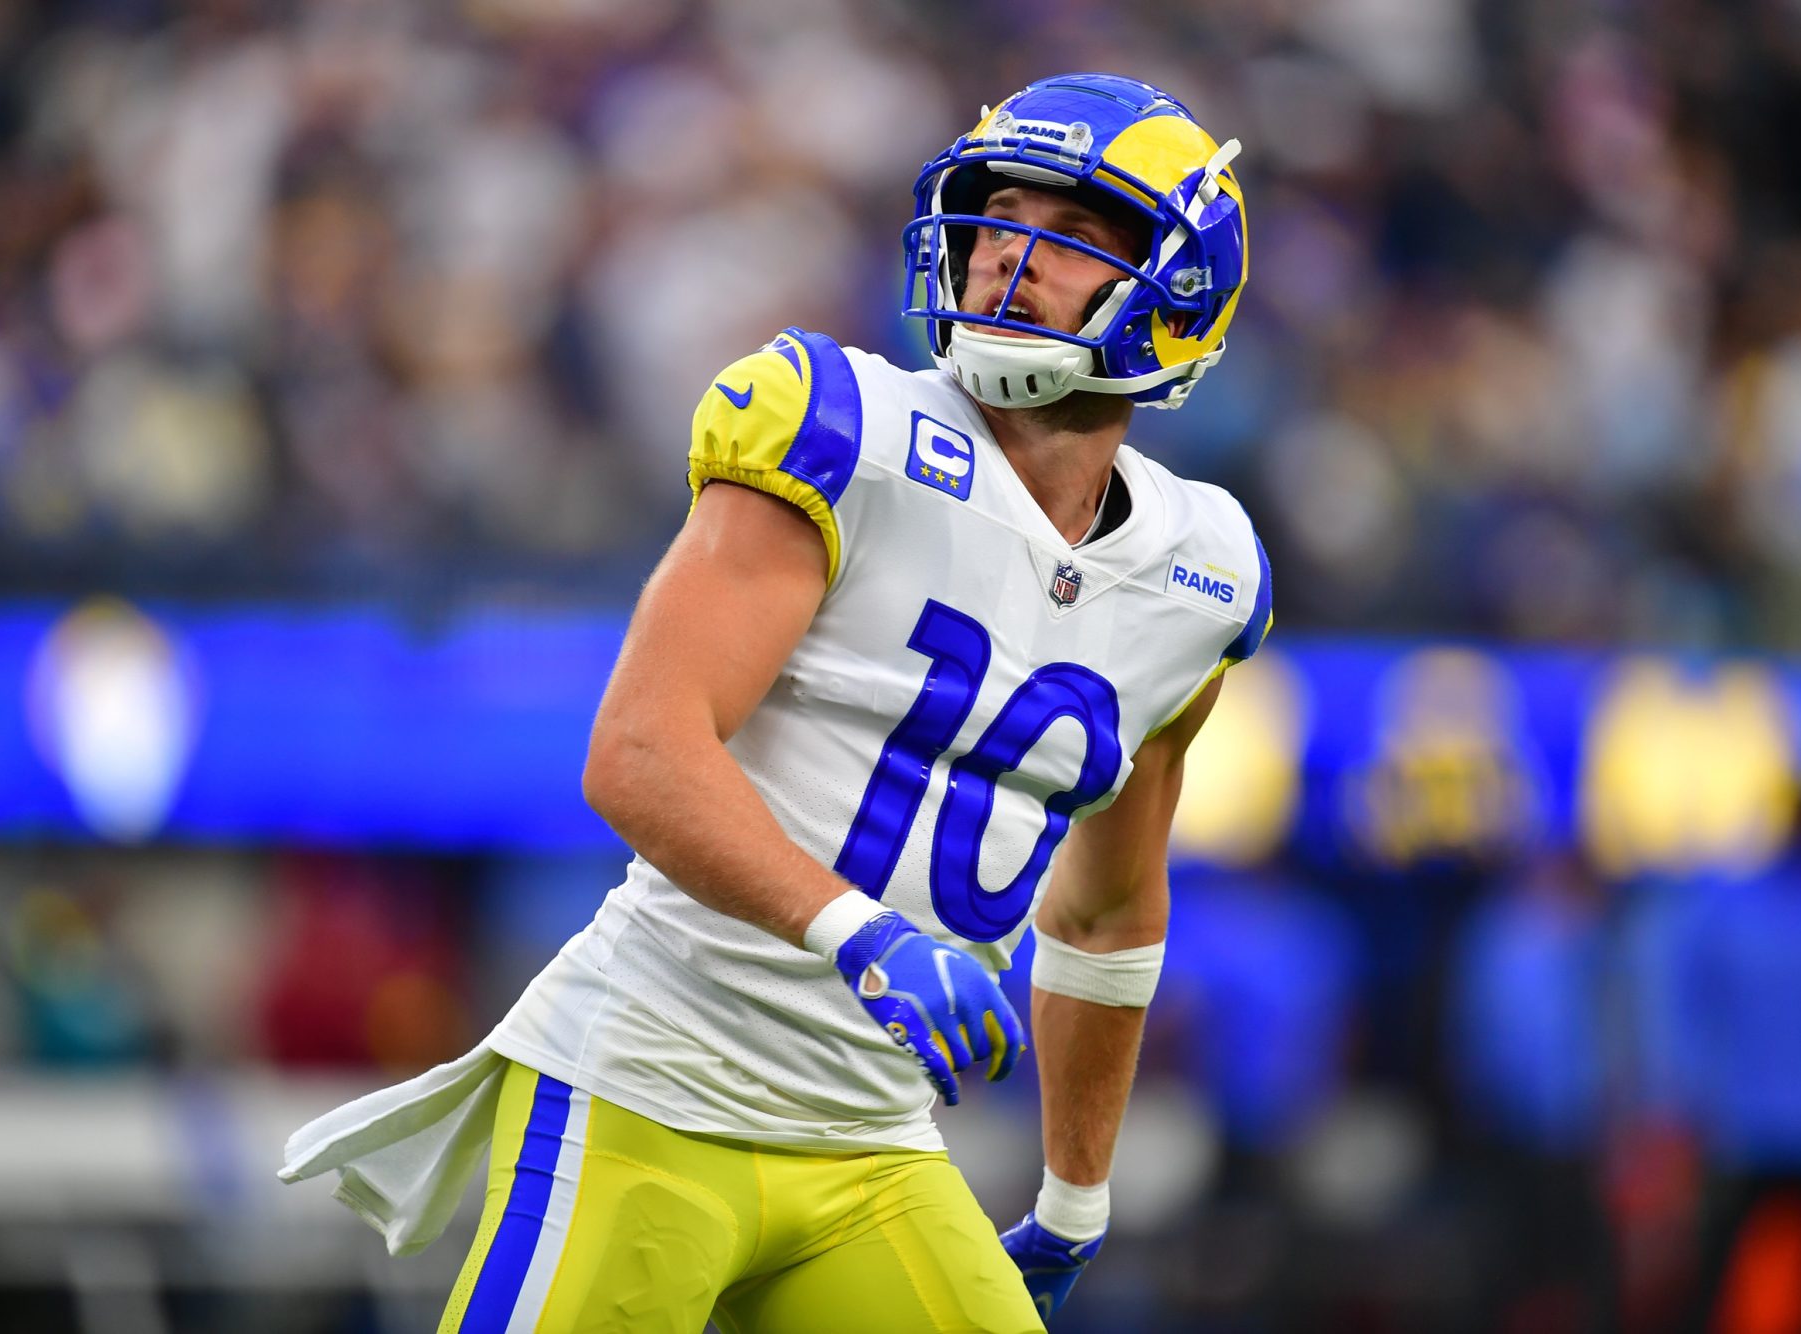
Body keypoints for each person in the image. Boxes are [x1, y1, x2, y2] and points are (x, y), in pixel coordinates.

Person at [280, 72, 1266, 1333]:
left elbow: (1110, 903)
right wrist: (857, 932)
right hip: (652, 1079)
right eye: (995, 218)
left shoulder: (1202, 572)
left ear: (1177, 292)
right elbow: (638, 747)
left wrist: (1076, 1189)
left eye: (1066, 230)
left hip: (868, 1142)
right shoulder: (839, 424)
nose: (1008, 259)